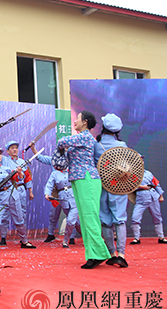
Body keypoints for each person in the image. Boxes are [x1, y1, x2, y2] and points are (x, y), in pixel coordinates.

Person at [57, 111, 111, 269]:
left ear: (85, 122)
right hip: (79, 179)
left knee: (89, 217)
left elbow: (62, 141)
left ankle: (99, 253)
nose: (75, 121)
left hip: (87, 179)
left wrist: (62, 147)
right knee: (86, 218)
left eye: (77, 119)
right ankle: (93, 254)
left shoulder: (85, 136)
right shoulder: (81, 138)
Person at [94, 113, 129, 268]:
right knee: (120, 220)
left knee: (106, 221)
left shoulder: (96, 145)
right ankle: (121, 255)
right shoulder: (123, 146)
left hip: (103, 186)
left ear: (103, 127)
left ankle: (111, 253)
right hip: (119, 187)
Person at [29, 143, 78, 245]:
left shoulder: (72, 162)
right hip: (56, 191)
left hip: (70, 191)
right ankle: (51, 234)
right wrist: (33, 148)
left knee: (71, 215)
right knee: (54, 213)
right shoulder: (53, 160)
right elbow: (40, 157)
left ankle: (71, 237)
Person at [130, 162, 166, 244]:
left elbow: (156, 184)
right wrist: (141, 187)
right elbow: (129, 186)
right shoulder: (130, 175)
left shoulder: (148, 173)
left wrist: (160, 195)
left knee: (157, 217)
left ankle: (161, 237)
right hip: (141, 198)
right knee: (135, 218)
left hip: (153, 196)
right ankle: (136, 238)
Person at [1, 140, 34, 224]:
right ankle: (3, 236)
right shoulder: (4, 160)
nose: (15, 150)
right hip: (9, 189)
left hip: (21, 189)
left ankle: (23, 235)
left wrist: (30, 192)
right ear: (8, 151)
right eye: (12, 148)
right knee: (6, 213)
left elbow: (27, 178)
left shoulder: (22, 162)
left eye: (16, 148)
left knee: (22, 212)